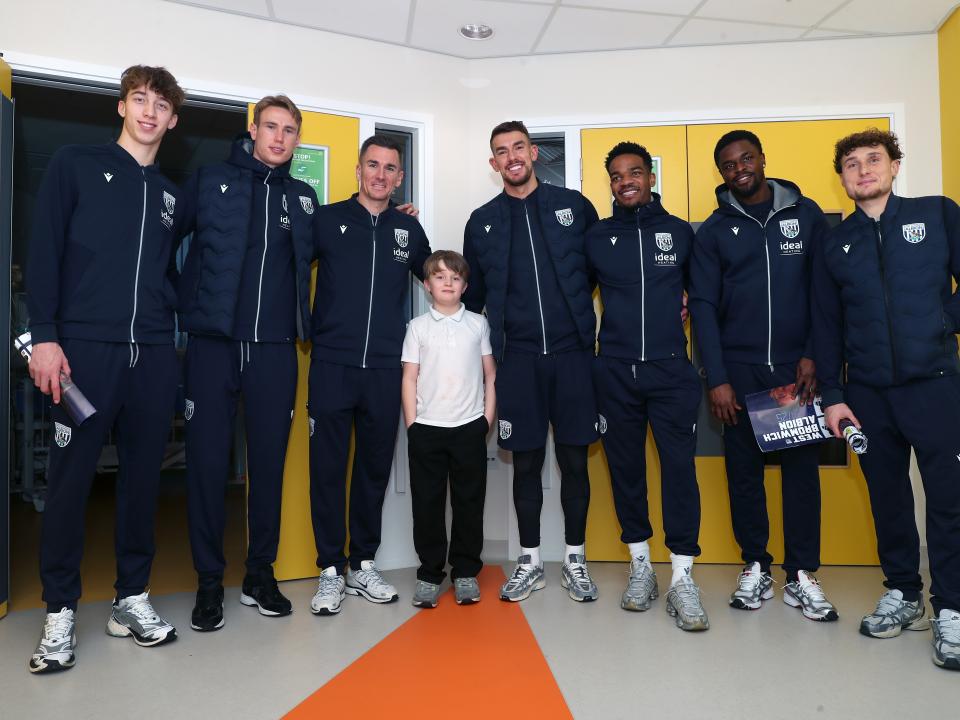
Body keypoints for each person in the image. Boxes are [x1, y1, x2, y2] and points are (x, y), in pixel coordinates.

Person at [25, 65, 185, 673]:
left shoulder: (173, 196)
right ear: (122, 107)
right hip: (82, 353)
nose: (149, 112)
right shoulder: (74, 164)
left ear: (173, 120)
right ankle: (60, 610)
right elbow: (44, 252)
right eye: (139, 99)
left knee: (144, 480)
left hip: (152, 355)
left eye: (161, 105)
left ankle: (131, 598)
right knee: (70, 483)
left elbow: (177, 271)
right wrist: (44, 337)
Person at [813, 128, 960, 670]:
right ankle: (904, 592)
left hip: (937, 385)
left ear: (895, 166)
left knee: (949, 500)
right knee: (888, 499)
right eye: (851, 164)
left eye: (873, 160)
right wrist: (833, 396)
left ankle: (953, 608)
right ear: (843, 178)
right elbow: (825, 327)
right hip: (869, 396)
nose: (862, 170)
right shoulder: (834, 242)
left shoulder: (938, 215)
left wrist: (942, 321)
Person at [176, 95, 318, 631]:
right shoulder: (212, 180)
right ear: (253, 130)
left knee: (268, 468)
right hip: (213, 346)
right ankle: (209, 583)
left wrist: (388, 215)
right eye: (271, 127)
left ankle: (260, 574)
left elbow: (344, 241)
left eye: (289, 131)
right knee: (209, 466)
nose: (279, 138)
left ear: (296, 139)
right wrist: (179, 302)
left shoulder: (303, 199)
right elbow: (163, 238)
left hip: (276, 351)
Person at [688, 129, 838, 621]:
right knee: (744, 476)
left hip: (797, 372)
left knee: (801, 476)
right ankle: (755, 565)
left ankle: (801, 575)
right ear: (723, 173)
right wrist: (717, 377)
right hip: (740, 373)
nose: (740, 169)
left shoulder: (807, 215)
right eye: (729, 165)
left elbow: (824, 292)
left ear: (762, 159)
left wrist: (815, 352)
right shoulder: (712, 231)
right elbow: (705, 308)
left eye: (746, 158)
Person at [463, 120, 600, 603]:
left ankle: (576, 560)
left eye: (518, 147)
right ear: (493, 163)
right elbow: (471, 295)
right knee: (525, 465)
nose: (512, 156)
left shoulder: (573, 207)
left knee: (574, 462)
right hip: (517, 361)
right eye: (501, 151)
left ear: (533, 153)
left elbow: (603, 272)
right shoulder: (481, 221)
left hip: (573, 358)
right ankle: (530, 561)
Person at [585, 142, 707, 630]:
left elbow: (704, 300)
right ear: (610, 183)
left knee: (679, 471)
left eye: (634, 173)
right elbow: (573, 296)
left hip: (671, 371)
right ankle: (641, 566)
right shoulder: (597, 237)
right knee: (626, 470)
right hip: (614, 371)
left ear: (651, 177)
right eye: (616, 176)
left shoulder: (678, 233)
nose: (626, 181)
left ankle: (681, 578)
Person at [308, 135, 432, 615]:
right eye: (372, 166)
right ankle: (329, 570)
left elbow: (440, 281)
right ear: (358, 171)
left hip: (385, 369)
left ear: (399, 178)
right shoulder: (328, 220)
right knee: (328, 472)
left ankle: (362, 564)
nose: (380, 175)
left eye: (390, 169)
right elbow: (290, 271)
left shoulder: (408, 232)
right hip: (332, 366)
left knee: (373, 470)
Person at [401, 250, 496, 608]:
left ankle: (466, 572)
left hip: (469, 428)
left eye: (455, 278)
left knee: (469, 502)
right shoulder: (417, 328)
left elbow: (490, 374)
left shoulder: (478, 324)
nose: (447, 283)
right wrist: (412, 425)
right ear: (427, 285)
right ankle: (429, 575)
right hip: (426, 429)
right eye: (439, 277)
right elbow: (409, 378)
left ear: (465, 286)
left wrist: (485, 420)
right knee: (427, 504)